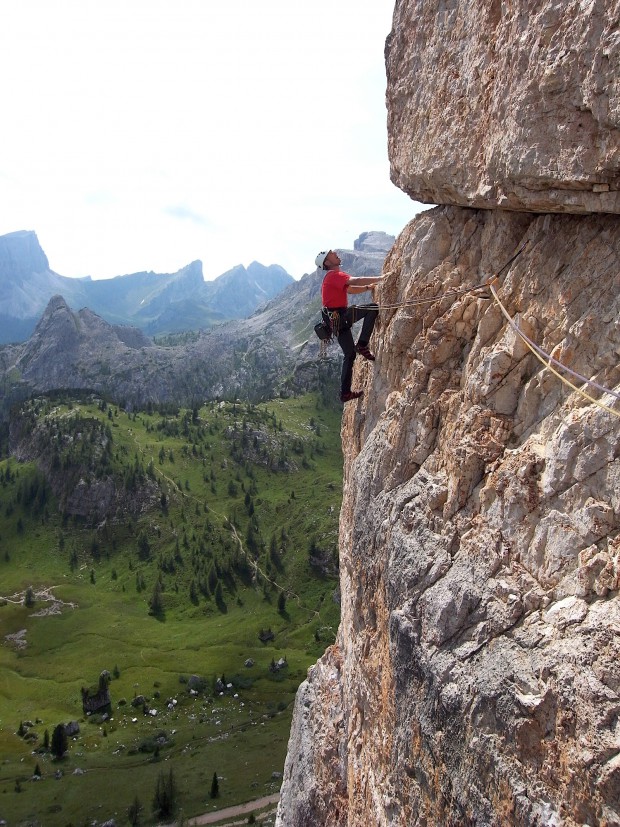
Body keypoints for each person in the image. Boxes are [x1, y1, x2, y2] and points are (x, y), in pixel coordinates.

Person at [316, 249, 383, 403]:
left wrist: (367, 288)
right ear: (327, 262)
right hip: (340, 316)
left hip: (334, 321)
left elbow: (350, 289)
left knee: (349, 354)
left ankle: (344, 393)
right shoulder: (334, 275)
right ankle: (362, 344)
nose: (336, 254)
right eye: (332, 254)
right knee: (372, 308)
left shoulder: (332, 277)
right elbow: (355, 281)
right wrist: (381, 278)